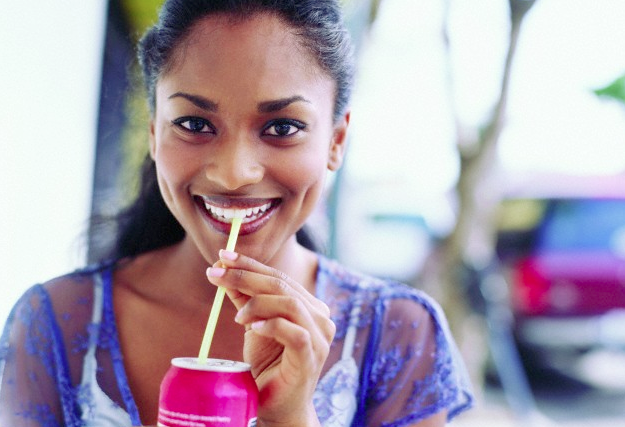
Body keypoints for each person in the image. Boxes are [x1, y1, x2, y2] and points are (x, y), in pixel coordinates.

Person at [0, 0, 473, 426]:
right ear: (152, 133)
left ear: (335, 141)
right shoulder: (53, 325)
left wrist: (291, 419)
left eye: (282, 126)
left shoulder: (399, 334)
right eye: (194, 124)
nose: (233, 174)